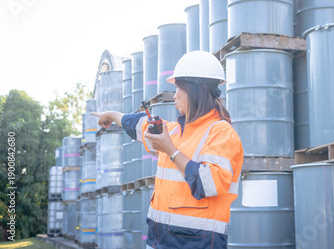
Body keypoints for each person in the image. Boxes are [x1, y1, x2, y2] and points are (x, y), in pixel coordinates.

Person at [93, 51, 244, 249]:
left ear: (193, 89)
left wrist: (170, 150)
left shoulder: (221, 132)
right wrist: (112, 115)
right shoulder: (173, 131)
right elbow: (138, 124)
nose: (174, 95)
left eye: (177, 88)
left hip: (197, 243)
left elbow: (207, 185)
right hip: (160, 241)